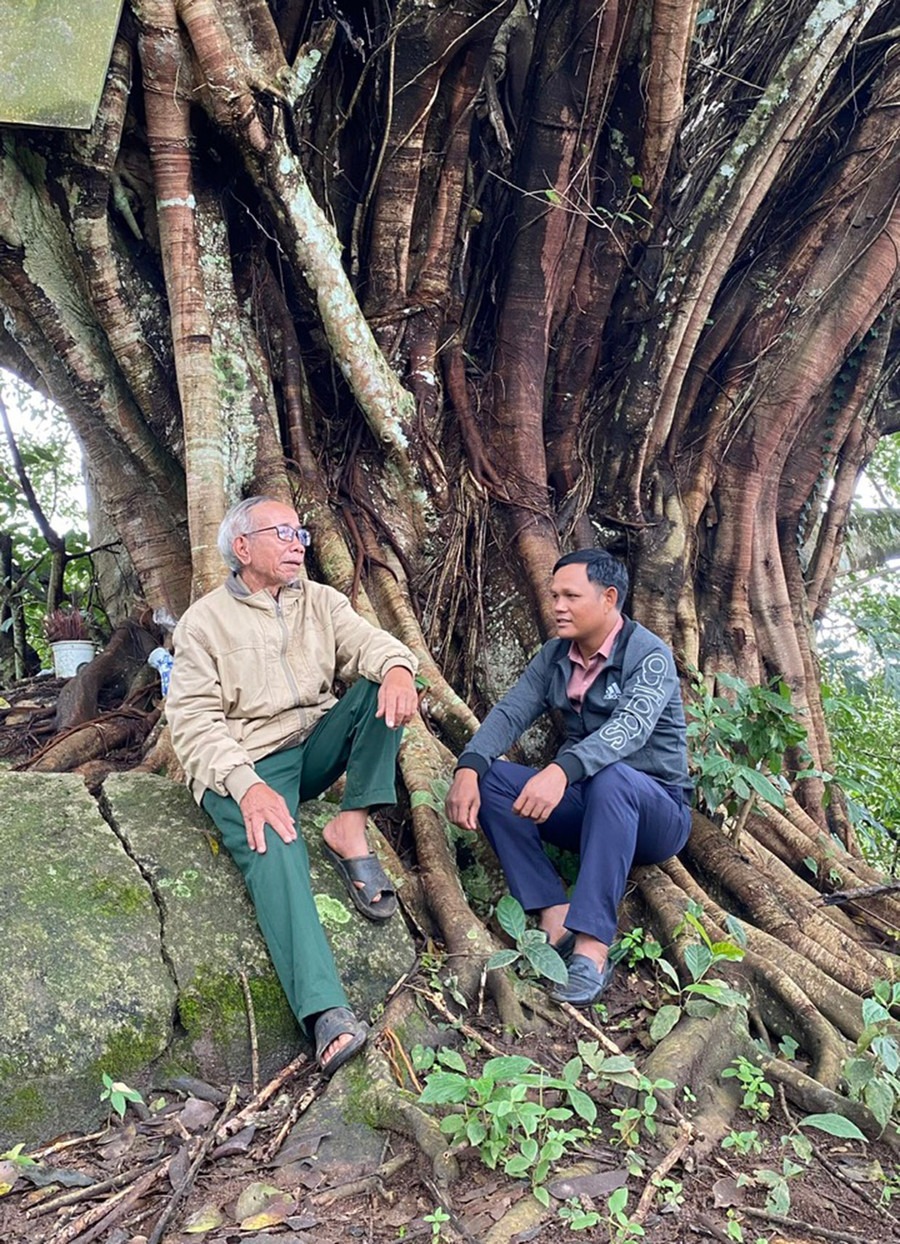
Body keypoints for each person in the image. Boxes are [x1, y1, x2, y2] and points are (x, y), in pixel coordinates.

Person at [167, 496, 418, 1074]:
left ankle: (349, 826)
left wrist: (400, 668)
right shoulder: (204, 622)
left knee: (382, 689)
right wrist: (245, 785)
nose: (297, 544)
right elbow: (192, 722)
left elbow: (371, 644)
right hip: (248, 760)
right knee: (276, 844)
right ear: (241, 547)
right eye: (281, 533)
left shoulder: (321, 601)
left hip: (313, 744)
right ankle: (324, 1011)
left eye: (300, 533)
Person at [445, 549, 692, 1006]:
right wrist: (469, 766)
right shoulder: (556, 655)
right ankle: (554, 914)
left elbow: (629, 728)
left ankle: (593, 947)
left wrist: (560, 770)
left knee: (614, 778)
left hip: (656, 814)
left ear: (608, 598)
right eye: (554, 595)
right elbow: (512, 712)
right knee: (493, 781)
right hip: (590, 808)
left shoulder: (648, 654)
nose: (557, 606)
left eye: (570, 596)